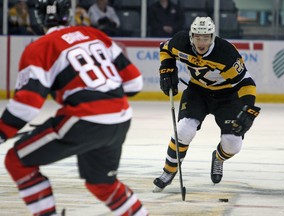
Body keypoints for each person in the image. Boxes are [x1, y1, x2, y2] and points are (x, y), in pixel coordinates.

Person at [0, 0, 148, 215]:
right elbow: (135, 84)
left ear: (39, 19)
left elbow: (27, 104)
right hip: (120, 118)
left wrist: (3, 131)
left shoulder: (40, 47)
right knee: (101, 183)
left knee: (17, 160)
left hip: (83, 119)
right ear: (67, 16)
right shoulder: (95, 35)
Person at [153, 16, 261, 192]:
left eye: (205, 37)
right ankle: (168, 171)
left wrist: (248, 108)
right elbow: (164, 49)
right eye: (197, 37)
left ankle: (218, 158)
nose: (201, 42)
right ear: (191, 36)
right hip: (198, 92)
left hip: (228, 97)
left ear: (212, 37)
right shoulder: (181, 42)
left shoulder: (226, 54)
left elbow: (246, 83)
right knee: (183, 130)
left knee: (232, 144)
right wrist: (167, 69)